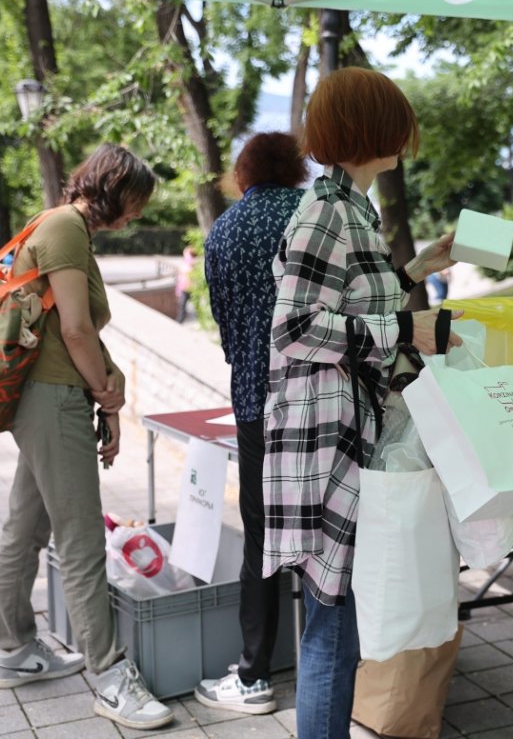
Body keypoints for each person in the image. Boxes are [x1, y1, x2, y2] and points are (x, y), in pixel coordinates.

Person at [262, 67, 461, 739]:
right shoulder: (328, 212)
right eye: (397, 121)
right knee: (333, 626)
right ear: (375, 130)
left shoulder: (347, 208)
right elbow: (291, 330)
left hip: (341, 432)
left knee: (338, 621)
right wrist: (408, 327)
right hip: (327, 441)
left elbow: (345, 302)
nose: (407, 133)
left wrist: (413, 273)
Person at [0, 144, 173, 730]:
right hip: (55, 401)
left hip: (54, 398)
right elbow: (73, 328)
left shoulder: (66, 229)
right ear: (114, 190)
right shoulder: (66, 228)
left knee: (27, 526)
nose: (137, 216)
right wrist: (108, 395)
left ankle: (16, 652)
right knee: (80, 541)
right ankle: (110, 677)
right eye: (136, 203)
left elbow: (78, 328)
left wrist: (105, 393)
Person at [195, 132, 308, 714]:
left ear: (242, 175)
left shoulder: (223, 232)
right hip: (320, 404)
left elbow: (226, 328)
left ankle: (254, 675)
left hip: (253, 404)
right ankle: (330, 667)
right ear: (295, 168)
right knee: (326, 534)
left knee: (261, 539)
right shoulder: (313, 214)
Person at [175, 246, 195, 323]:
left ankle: (180, 321)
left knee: (184, 306)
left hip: (189, 288)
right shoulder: (186, 264)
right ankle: (180, 321)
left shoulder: (190, 264)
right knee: (182, 306)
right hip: (185, 287)